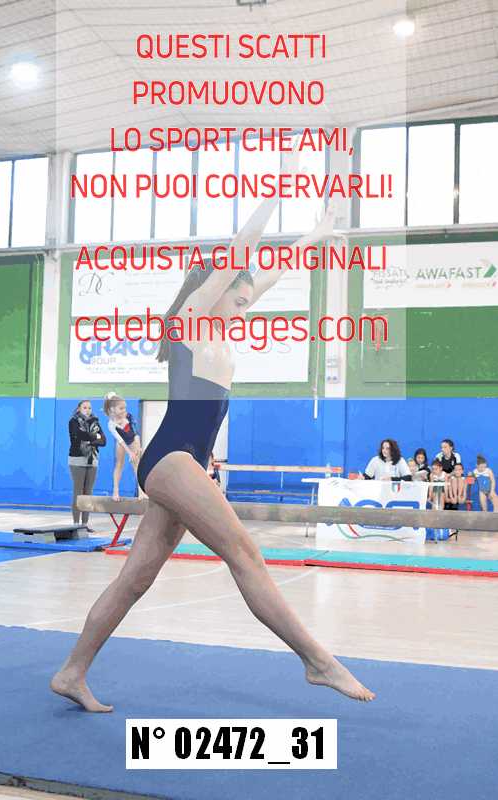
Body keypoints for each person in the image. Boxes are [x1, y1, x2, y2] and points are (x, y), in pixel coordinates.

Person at [51, 156, 374, 711]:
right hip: (171, 458)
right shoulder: (191, 322)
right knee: (244, 553)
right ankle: (318, 662)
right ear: (213, 290)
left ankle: (71, 671)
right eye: (239, 299)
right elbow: (240, 253)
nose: (245, 309)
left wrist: (320, 231)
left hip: (184, 463)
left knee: (134, 579)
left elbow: (275, 269)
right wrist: (277, 189)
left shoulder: (222, 327)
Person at [68, 400, 106, 528]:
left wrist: (91, 440)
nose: (88, 410)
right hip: (77, 460)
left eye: (89, 408)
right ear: (79, 409)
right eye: (85, 407)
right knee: (78, 492)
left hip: (92, 460)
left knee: (88, 493)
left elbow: (103, 441)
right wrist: (95, 437)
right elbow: (78, 436)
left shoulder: (95, 422)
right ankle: (75, 523)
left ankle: (84, 524)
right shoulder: (73, 421)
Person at [104, 392, 144, 501]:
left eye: (125, 408)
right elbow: (120, 440)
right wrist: (129, 452)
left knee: (137, 466)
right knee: (119, 465)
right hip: (121, 443)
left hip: (133, 441)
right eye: (121, 408)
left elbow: (135, 433)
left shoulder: (129, 416)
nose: (124, 410)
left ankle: (141, 492)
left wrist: (138, 447)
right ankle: (115, 491)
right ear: (112, 409)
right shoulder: (111, 424)